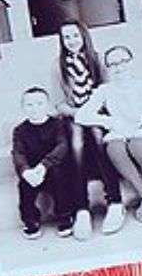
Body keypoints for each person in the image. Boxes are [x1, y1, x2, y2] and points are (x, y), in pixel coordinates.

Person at [75, 45, 142, 223]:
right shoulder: (105, 90)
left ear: (131, 62)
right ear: (108, 68)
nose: (119, 67)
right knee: (113, 147)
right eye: (113, 64)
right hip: (121, 136)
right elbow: (81, 115)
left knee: (136, 144)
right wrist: (109, 121)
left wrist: (130, 133)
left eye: (123, 61)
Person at [53, 19, 124, 238]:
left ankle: (115, 202)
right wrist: (79, 113)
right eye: (66, 37)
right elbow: (59, 104)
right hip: (73, 115)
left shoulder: (97, 59)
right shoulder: (58, 66)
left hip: (97, 112)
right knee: (76, 142)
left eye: (75, 35)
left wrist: (91, 113)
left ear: (83, 35)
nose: (71, 41)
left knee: (97, 134)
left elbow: (107, 93)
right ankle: (81, 209)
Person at [11, 86, 83, 239]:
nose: (35, 108)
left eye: (39, 103)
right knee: (24, 184)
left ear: (47, 105)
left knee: (60, 176)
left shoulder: (57, 124)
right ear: (23, 107)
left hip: (55, 169)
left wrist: (44, 165)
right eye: (29, 105)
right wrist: (26, 171)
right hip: (34, 172)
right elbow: (18, 153)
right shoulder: (20, 130)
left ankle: (64, 216)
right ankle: (30, 220)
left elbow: (62, 147)